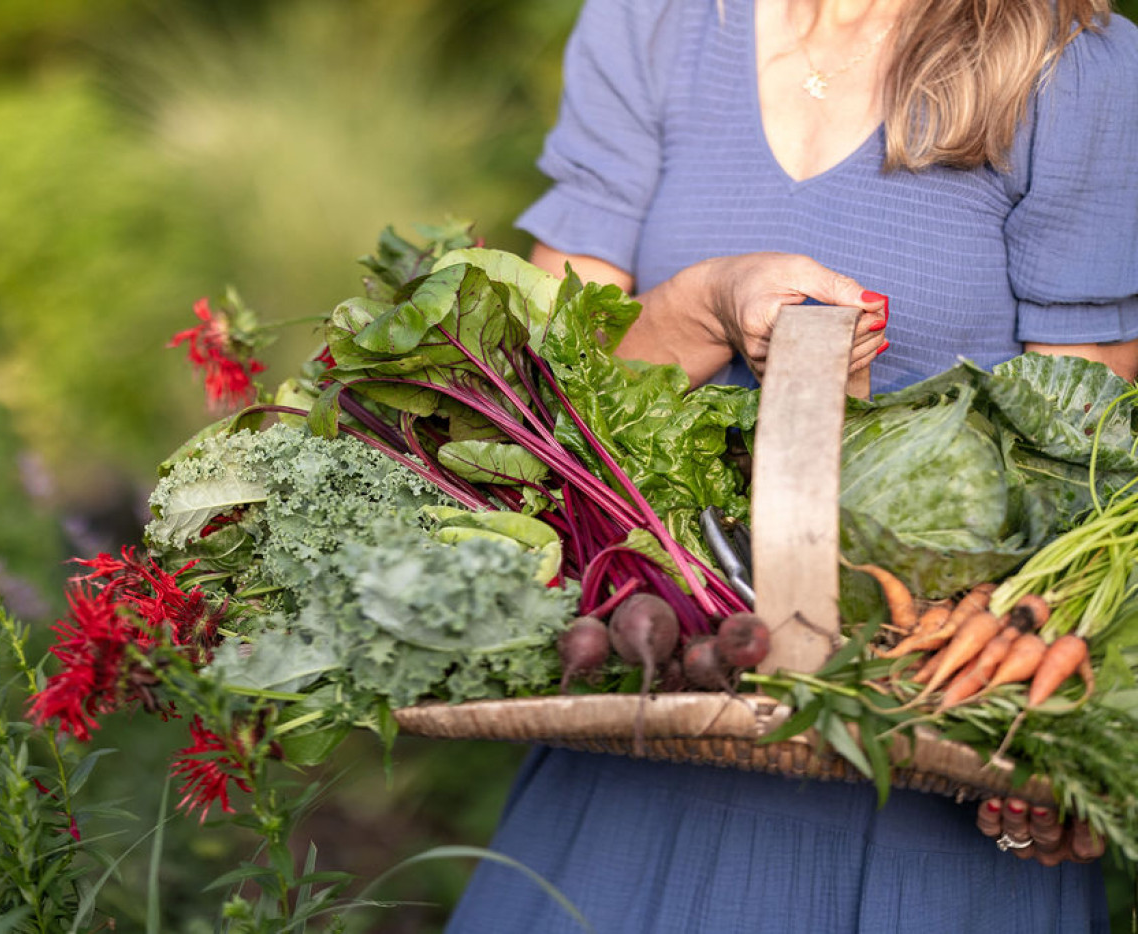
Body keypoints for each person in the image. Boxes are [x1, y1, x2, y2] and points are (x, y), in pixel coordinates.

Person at [445, 0, 1138, 931]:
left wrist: (1033, 723)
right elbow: (546, 418)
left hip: (924, 749)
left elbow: (1082, 468)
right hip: (655, 705)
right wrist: (700, 309)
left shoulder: (1078, 66)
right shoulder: (649, 24)